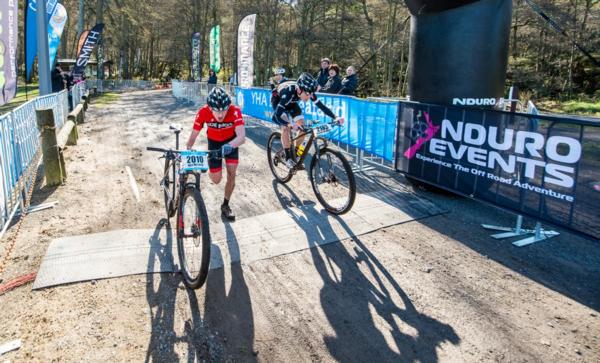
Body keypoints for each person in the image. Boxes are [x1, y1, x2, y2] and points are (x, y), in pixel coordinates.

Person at [186, 86, 245, 221]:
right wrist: (188, 148)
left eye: (224, 110)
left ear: (228, 106)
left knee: (231, 175)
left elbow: (242, 137)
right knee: (216, 180)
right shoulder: (203, 112)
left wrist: (230, 146)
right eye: (216, 111)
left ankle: (225, 205)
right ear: (210, 108)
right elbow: (194, 134)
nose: (220, 115)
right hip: (213, 143)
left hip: (231, 142)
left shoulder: (234, 111)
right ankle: (215, 167)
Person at [271, 73, 344, 169]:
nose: (309, 97)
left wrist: (335, 117)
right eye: (307, 94)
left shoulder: (308, 91)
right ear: (299, 90)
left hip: (292, 103)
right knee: (286, 128)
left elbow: (321, 106)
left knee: (303, 127)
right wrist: (290, 124)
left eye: (311, 94)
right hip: (279, 102)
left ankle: (295, 154)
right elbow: (276, 116)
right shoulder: (287, 93)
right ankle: (288, 159)